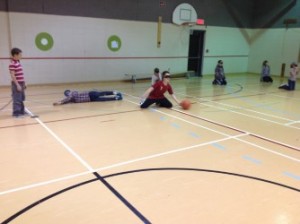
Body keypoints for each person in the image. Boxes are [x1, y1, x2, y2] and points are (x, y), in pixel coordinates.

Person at [9, 47, 27, 117]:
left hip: (21, 83)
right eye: (20, 55)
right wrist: (17, 85)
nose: (21, 56)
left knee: (22, 98)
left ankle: (22, 111)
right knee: (17, 98)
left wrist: (24, 83)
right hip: (17, 84)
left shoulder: (18, 63)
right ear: (15, 55)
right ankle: (16, 113)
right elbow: (13, 75)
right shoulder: (12, 64)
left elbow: (21, 74)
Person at [53, 90, 122, 105]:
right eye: (67, 93)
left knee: (102, 93)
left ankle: (115, 92)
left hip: (90, 94)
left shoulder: (73, 93)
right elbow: (67, 100)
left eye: (67, 93)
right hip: (90, 99)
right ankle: (116, 98)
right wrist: (60, 103)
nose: (68, 94)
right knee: (103, 99)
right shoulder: (70, 99)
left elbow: (69, 98)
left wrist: (61, 101)